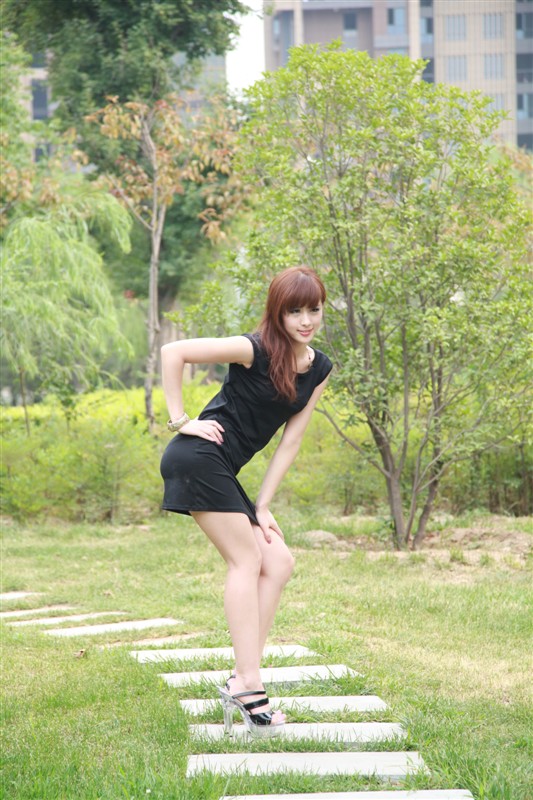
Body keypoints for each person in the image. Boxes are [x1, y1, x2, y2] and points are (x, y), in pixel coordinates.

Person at [160, 266, 332, 737]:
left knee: (278, 562)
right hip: (197, 457)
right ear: (277, 312)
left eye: (313, 309)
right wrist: (181, 420)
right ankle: (249, 685)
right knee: (247, 559)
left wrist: (263, 504)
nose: (305, 320)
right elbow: (174, 352)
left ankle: (243, 675)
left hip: (220, 468)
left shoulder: (318, 369)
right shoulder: (252, 349)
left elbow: (291, 441)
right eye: (294, 311)